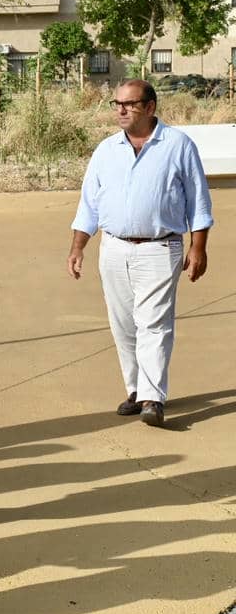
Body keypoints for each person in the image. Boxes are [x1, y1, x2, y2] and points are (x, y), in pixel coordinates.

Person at [67, 79, 212, 428]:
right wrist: (78, 245)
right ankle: (135, 390)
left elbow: (198, 201)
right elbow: (89, 204)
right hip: (114, 248)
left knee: (154, 324)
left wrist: (198, 247)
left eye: (129, 104)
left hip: (160, 247)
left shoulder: (178, 145)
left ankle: (153, 398)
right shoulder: (106, 150)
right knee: (123, 324)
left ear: (149, 107)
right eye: (117, 103)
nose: (121, 110)